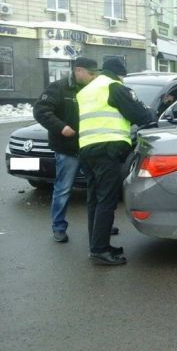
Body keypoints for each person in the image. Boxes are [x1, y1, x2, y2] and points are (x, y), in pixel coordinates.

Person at [77, 58, 155, 265]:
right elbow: (140, 114)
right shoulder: (114, 87)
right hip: (107, 151)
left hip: (86, 149)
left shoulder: (87, 90)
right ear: (119, 74)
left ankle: (96, 243)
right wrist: (151, 115)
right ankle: (100, 250)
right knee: (106, 200)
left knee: (94, 199)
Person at [33, 57, 99, 243]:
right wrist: (61, 127)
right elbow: (41, 110)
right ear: (78, 71)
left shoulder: (92, 88)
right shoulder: (59, 88)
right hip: (67, 149)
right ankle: (59, 227)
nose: (94, 77)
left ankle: (99, 225)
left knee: (95, 188)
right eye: (90, 73)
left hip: (89, 147)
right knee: (63, 189)